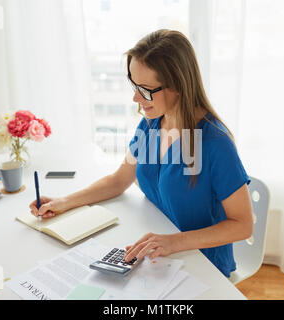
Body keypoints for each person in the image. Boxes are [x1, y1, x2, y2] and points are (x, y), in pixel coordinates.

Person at [29, 29, 253, 278]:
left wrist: (173, 242)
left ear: (178, 86)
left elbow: (243, 225)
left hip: (201, 264)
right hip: (157, 255)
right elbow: (119, 180)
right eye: (134, 85)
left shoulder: (214, 143)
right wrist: (63, 203)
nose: (136, 97)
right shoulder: (152, 124)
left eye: (145, 89)